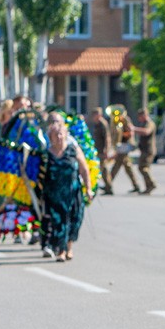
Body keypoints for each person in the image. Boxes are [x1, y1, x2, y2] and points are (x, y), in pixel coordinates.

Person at [38, 112, 93, 261]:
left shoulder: (73, 149)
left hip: (73, 191)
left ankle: (69, 246)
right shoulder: (46, 154)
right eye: (56, 135)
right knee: (59, 221)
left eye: (61, 134)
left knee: (75, 219)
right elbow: (39, 175)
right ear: (50, 137)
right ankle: (61, 250)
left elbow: (84, 169)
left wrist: (88, 188)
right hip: (54, 195)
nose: (59, 137)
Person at [106, 107, 142, 195]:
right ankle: (136, 185)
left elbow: (130, 132)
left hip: (125, 145)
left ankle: (108, 184)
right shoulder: (115, 120)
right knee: (127, 166)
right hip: (120, 145)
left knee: (117, 165)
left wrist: (123, 134)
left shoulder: (126, 120)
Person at [131, 107, 158, 194]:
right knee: (142, 167)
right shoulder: (143, 123)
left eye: (140, 116)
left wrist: (134, 129)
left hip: (149, 150)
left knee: (144, 168)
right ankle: (148, 187)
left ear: (145, 115)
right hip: (144, 149)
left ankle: (152, 184)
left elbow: (146, 132)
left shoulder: (150, 123)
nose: (139, 118)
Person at [88, 107, 111, 192]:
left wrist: (106, 150)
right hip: (97, 149)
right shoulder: (97, 123)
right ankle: (108, 186)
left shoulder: (102, 124)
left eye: (95, 115)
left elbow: (107, 138)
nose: (93, 117)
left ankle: (108, 186)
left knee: (101, 168)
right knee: (102, 168)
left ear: (99, 115)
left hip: (102, 150)